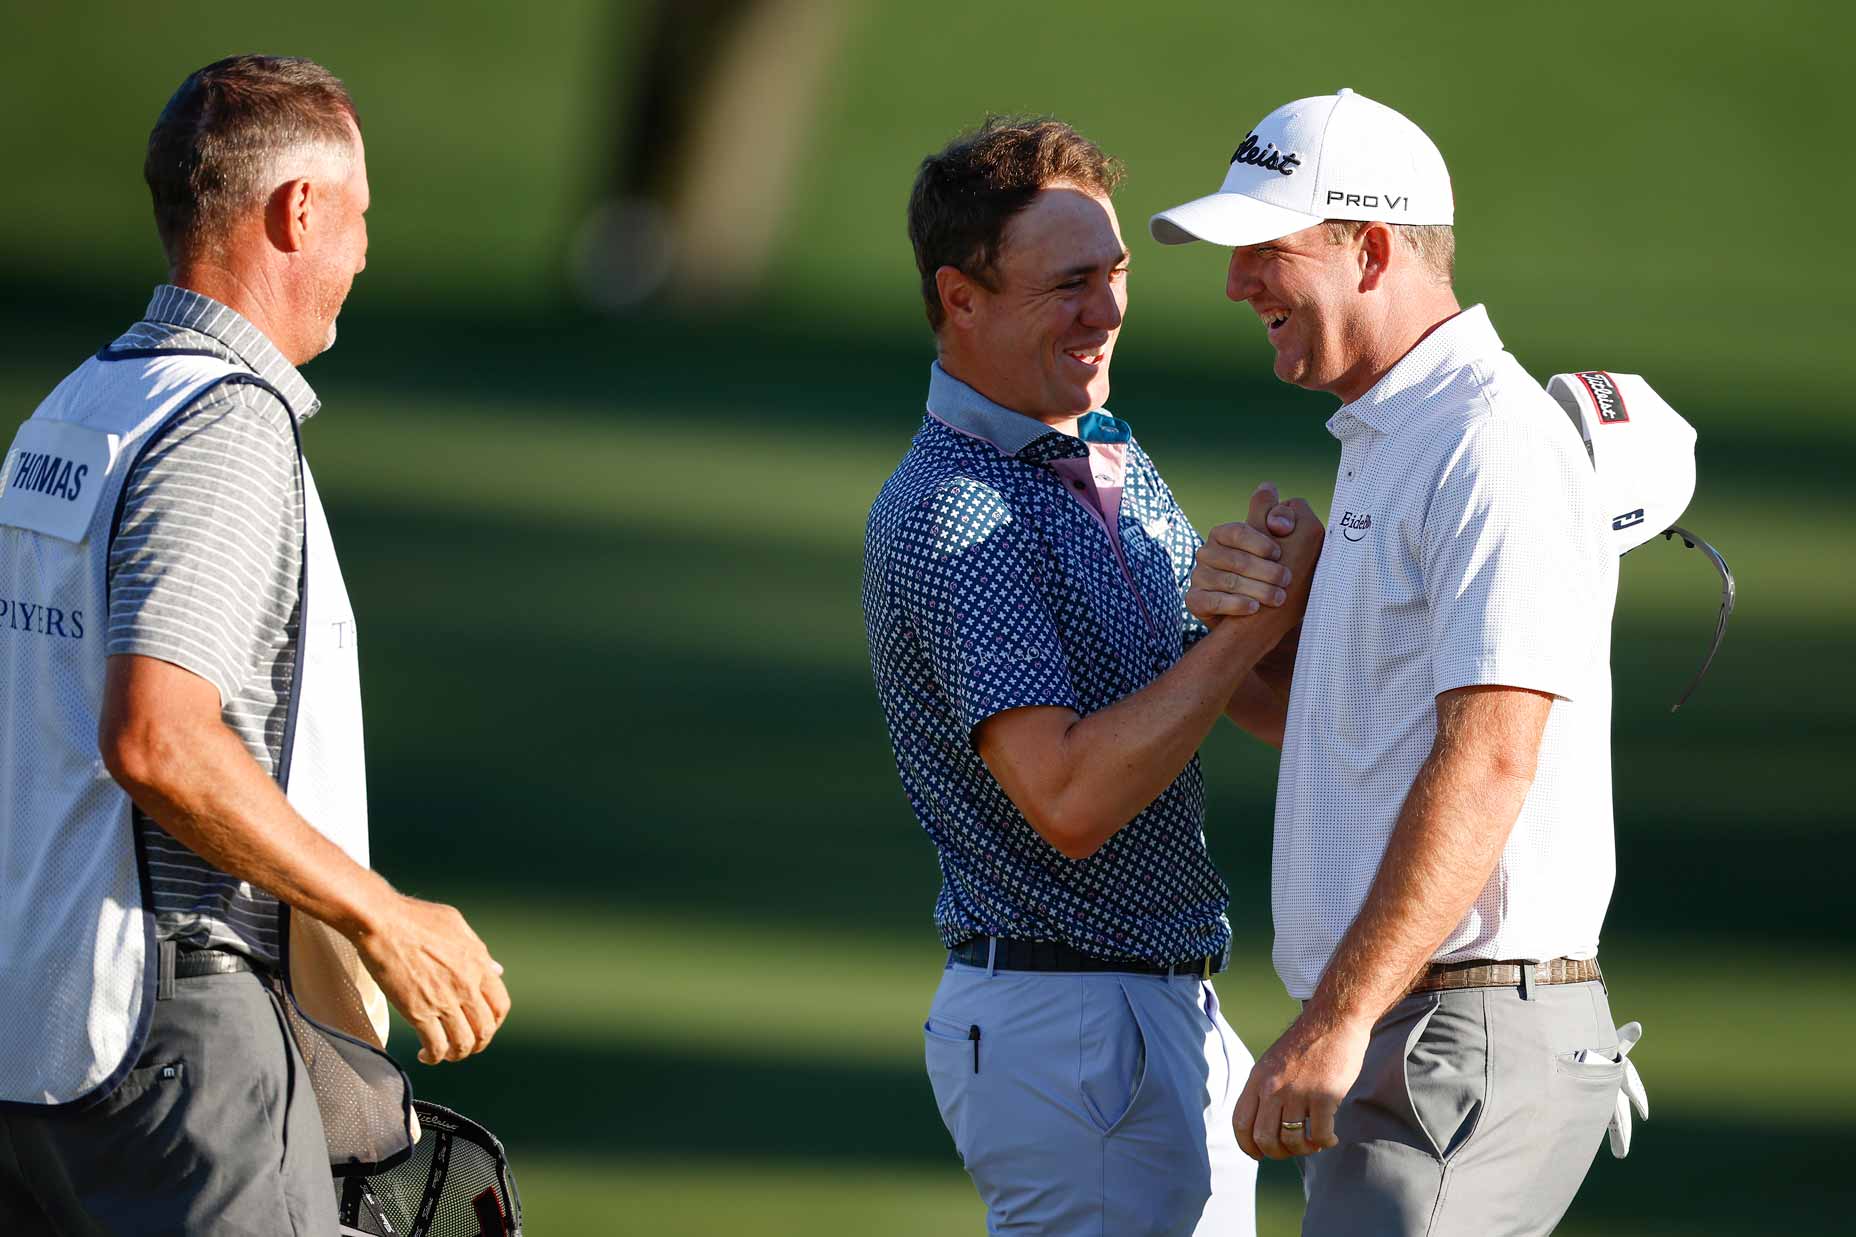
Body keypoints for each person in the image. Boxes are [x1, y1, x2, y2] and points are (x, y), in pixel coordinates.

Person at [0, 55, 510, 1234]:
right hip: (167, 1039)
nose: (367, 254)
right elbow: (158, 738)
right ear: (298, 211)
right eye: (362, 217)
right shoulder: (222, 421)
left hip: (38, 1034)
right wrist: (383, 914)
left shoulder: (79, 404)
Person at [1151, 89, 1636, 1233]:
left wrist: (1333, 1019)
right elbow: (1342, 732)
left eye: (1263, 251)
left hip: (1454, 1032)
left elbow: (1489, 760)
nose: (1234, 286)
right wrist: (1250, 632)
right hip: (1418, 1029)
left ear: (1367, 249)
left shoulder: (1486, 445)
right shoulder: (1397, 439)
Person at [861, 116, 1321, 1236]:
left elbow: (1246, 706)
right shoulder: (955, 507)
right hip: (1070, 1024)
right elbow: (1068, 798)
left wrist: (1276, 609)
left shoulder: (1106, 453)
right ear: (958, 298)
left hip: (1138, 1014)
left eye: (1112, 274)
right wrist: (1236, 634)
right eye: (1067, 283)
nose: (1107, 311)